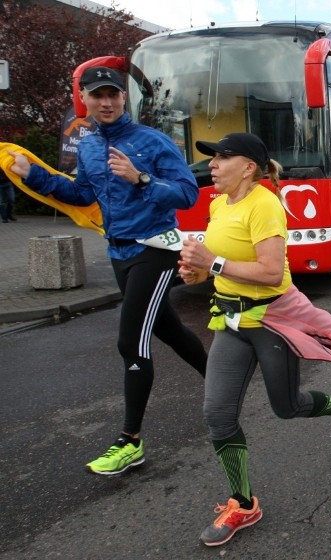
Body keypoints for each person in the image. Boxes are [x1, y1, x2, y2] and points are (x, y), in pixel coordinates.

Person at [8, 66, 208, 475]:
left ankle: (130, 441)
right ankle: (224, 382)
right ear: (84, 98)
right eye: (97, 95)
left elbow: (187, 193)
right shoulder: (90, 146)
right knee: (169, 329)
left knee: (130, 341)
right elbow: (83, 193)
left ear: (123, 98)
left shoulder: (151, 142)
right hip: (119, 253)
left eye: (113, 95)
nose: (106, 102)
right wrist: (38, 176)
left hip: (155, 250)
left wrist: (142, 178)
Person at [177, 132, 331, 547]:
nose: (212, 164)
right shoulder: (218, 203)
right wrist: (198, 272)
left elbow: (270, 273)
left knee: (287, 406)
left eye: (222, 157)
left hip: (270, 320)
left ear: (248, 167)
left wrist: (215, 261)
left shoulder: (264, 205)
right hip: (229, 321)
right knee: (217, 414)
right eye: (212, 157)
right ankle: (243, 504)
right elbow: (217, 265)